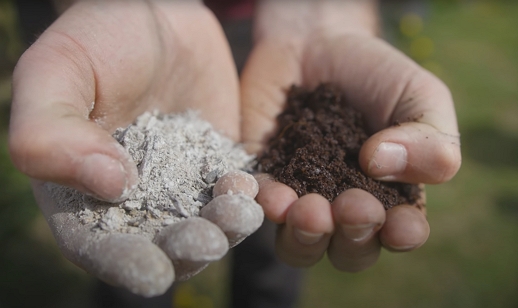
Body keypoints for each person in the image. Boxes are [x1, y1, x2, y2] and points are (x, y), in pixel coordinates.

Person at [9, 0, 461, 306]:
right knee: (136, 270)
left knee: (274, 230)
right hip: (138, 24)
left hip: (275, 21)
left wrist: (324, 19)